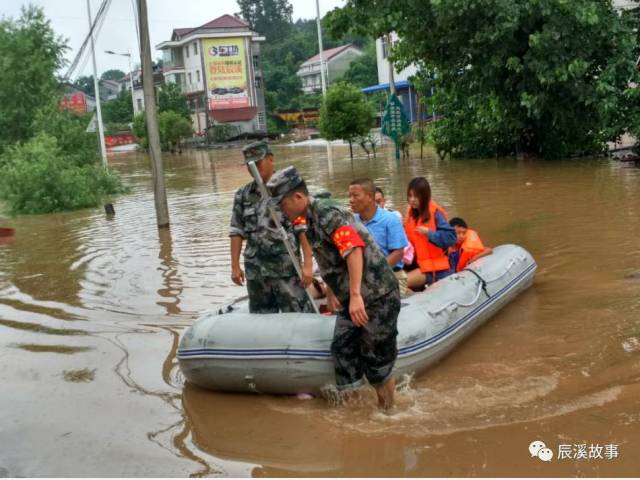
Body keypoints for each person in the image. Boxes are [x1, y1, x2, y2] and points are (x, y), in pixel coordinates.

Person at [267, 166, 400, 411]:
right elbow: (324, 256)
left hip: (377, 295)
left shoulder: (328, 213)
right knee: (342, 349)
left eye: (283, 203)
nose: (281, 210)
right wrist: (333, 292)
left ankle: (388, 412)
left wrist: (357, 295)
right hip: (351, 297)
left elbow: (353, 250)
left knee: (376, 359)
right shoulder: (303, 217)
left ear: (298, 197)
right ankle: (356, 411)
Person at [229, 141, 314, 314]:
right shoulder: (243, 194)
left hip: (286, 268)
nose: (252, 169)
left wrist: (307, 265)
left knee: (297, 314)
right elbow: (236, 231)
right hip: (257, 272)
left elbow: (303, 228)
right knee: (262, 319)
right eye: (248, 166)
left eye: (257, 164)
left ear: (270, 159)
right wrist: (235, 266)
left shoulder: (288, 189)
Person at [349, 178, 410, 297]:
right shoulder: (351, 221)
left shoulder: (390, 219)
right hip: (362, 276)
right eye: (350, 196)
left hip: (390, 274)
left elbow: (398, 253)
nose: (351, 200)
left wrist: (373, 273)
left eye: (355, 196)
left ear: (370, 197)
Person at [403, 176, 457, 290]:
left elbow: (452, 238)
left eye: (416, 196)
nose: (412, 199)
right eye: (410, 196)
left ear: (424, 196)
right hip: (420, 266)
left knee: (400, 284)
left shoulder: (436, 214)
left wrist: (429, 233)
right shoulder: (410, 214)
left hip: (436, 269)